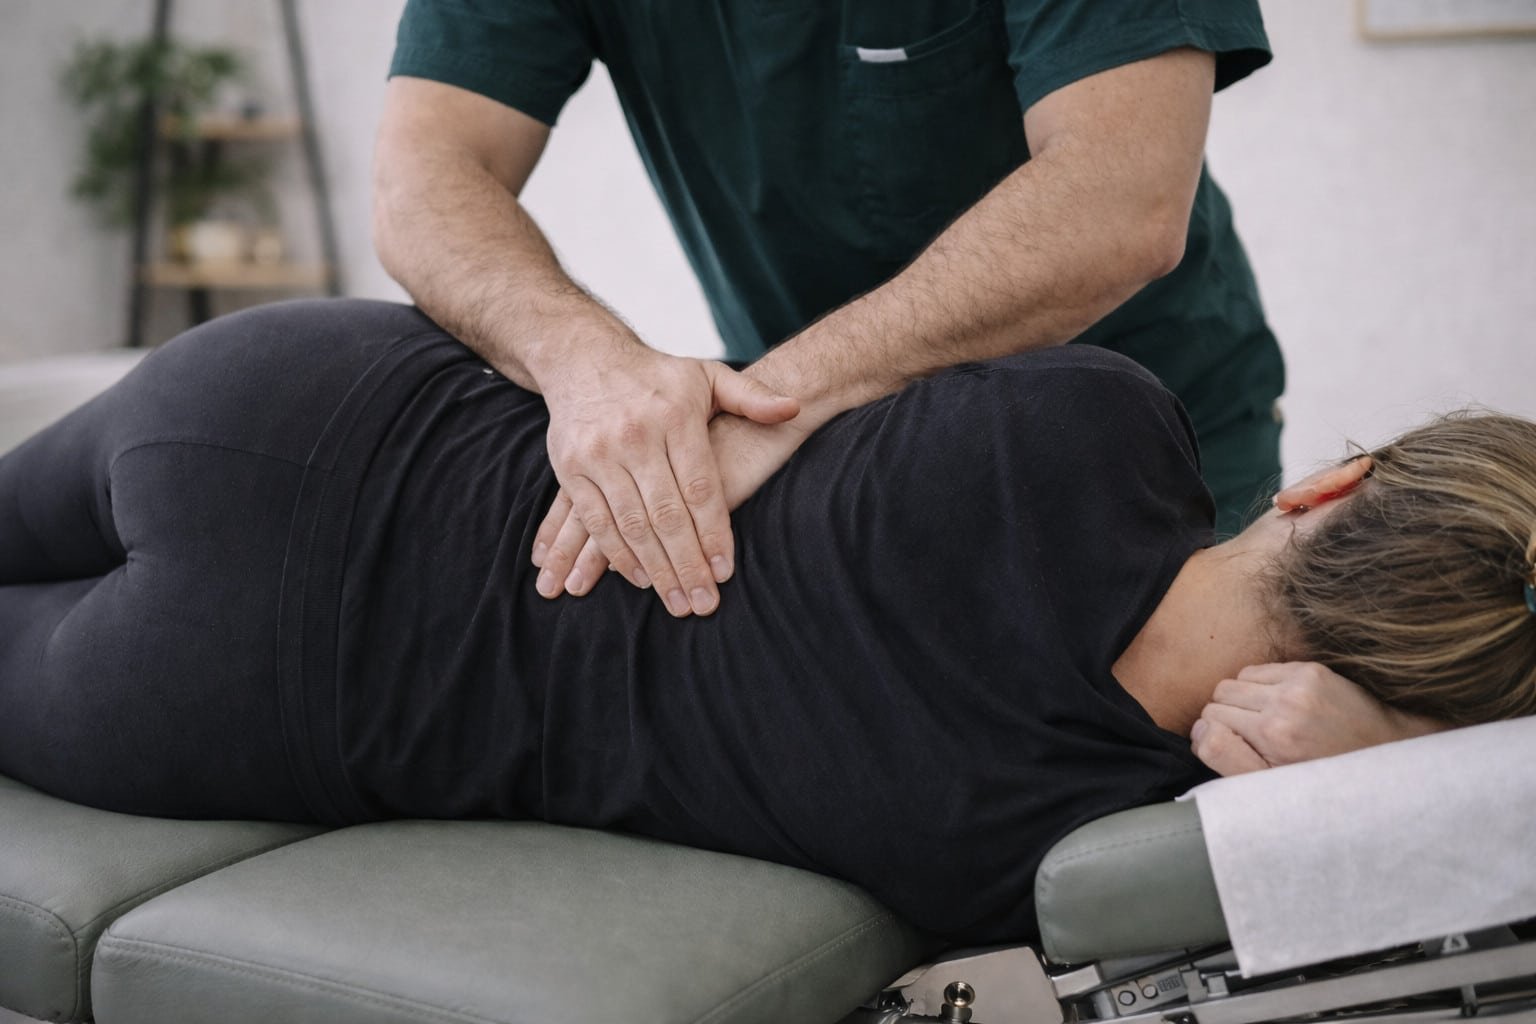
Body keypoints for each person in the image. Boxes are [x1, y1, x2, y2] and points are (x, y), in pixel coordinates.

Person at [1, 301, 1530, 943]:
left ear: (1334, 485)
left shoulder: (1099, 419)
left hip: (305, 398)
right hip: (253, 692)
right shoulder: (1054, 843)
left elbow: (764, 400)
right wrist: (1344, 770)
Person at [372, 0, 1287, 622]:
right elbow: (423, 177)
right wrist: (591, 370)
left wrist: (775, 400)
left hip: (1144, 448)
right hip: (826, 466)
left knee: (1163, 809)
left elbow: (1119, 202)